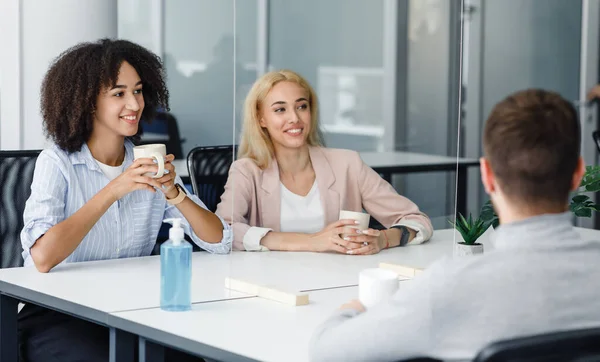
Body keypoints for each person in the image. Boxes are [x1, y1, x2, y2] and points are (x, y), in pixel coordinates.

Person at [309, 89, 600, 361]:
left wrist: (354, 308)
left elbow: (326, 351)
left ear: (486, 175)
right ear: (578, 173)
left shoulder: (450, 288)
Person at [18, 39, 231, 362]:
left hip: (129, 309)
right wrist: (115, 188)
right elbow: (43, 258)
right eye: (119, 94)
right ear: (87, 102)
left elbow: (220, 241)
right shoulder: (57, 162)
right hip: (57, 314)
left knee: (187, 357)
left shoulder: (145, 161)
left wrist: (174, 192)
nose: (134, 104)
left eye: (138, 91)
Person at [216, 69, 432, 253]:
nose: (295, 118)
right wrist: (310, 242)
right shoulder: (246, 170)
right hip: (273, 284)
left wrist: (384, 240)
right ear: (261, 119)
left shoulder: (347, 164)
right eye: (280, 109)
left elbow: (416, 220)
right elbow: (222, 231)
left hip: (337, 280)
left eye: (301, 106)